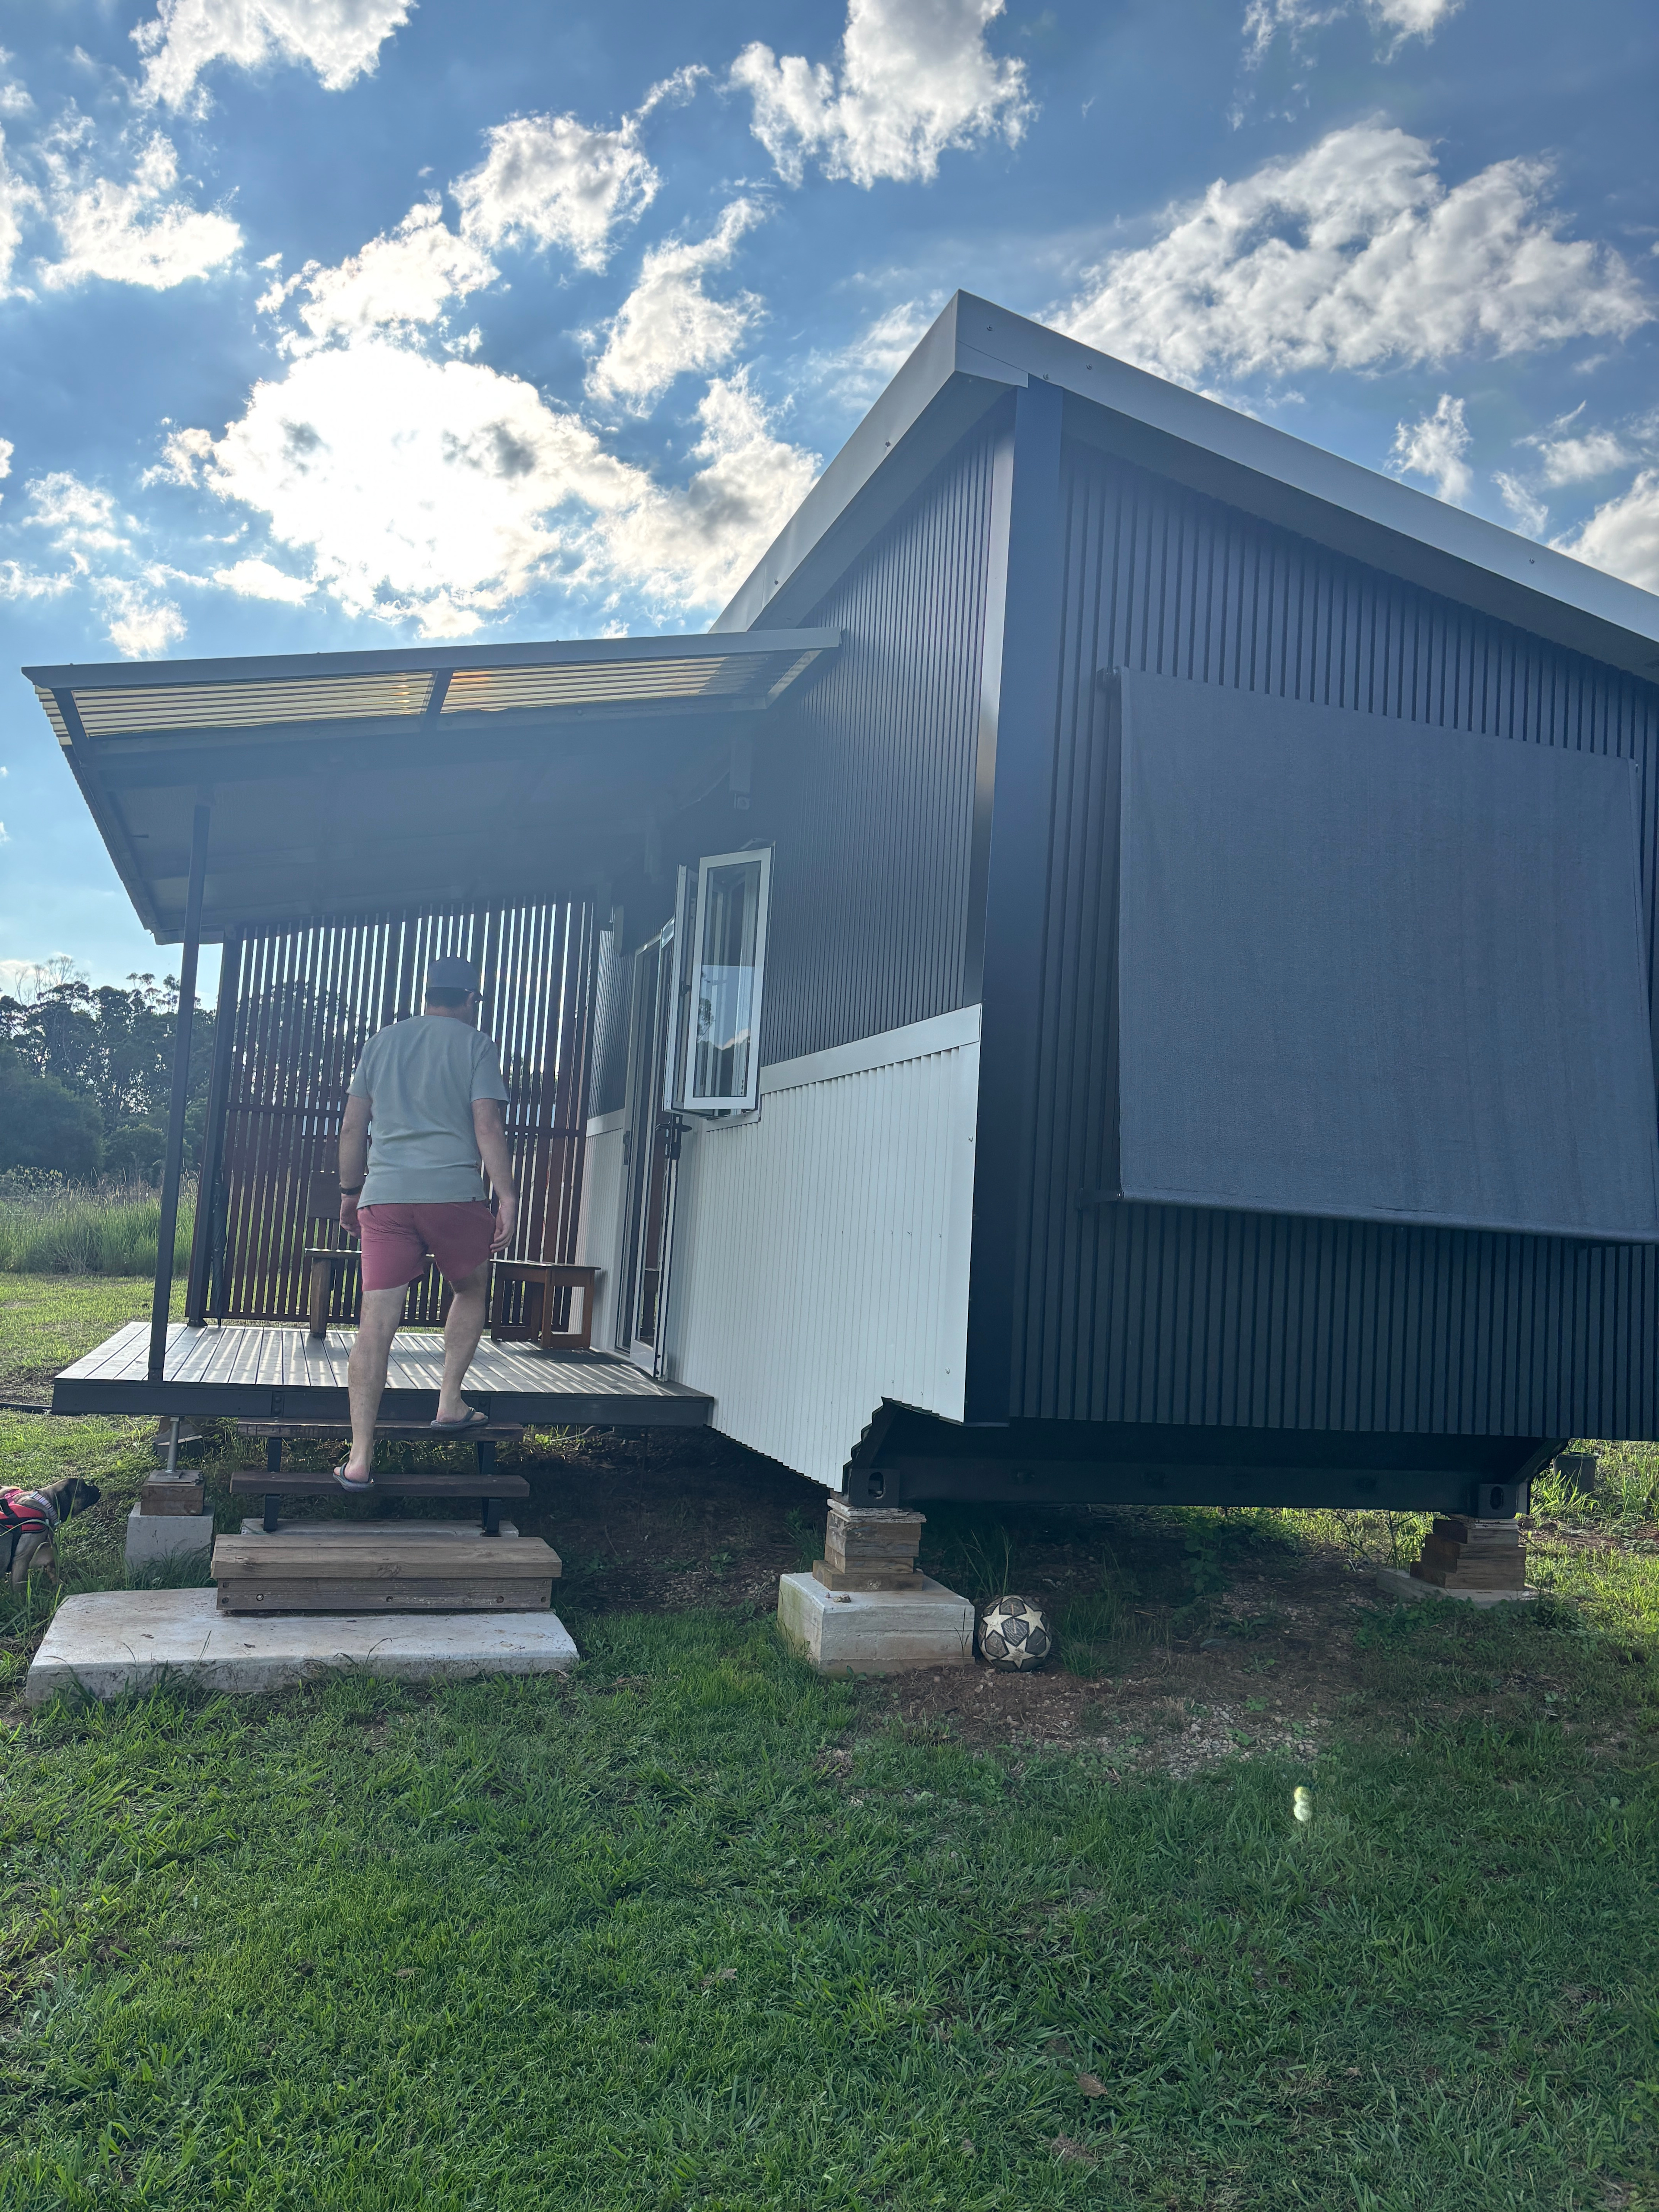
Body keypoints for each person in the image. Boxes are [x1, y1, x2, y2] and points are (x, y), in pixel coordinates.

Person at [333, 955, 516, 1490]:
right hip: (453, 1194)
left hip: (385, 1197)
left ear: (428, 995)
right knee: (471, 1287)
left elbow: (352, 1127)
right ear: (467, 999)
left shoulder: (382, 1042)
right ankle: (449, 1402)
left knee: (376, 1322)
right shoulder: (475, 1043)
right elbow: (487, 1123)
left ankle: (361, 1457)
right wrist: (506, 1195)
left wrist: (351, 1192)